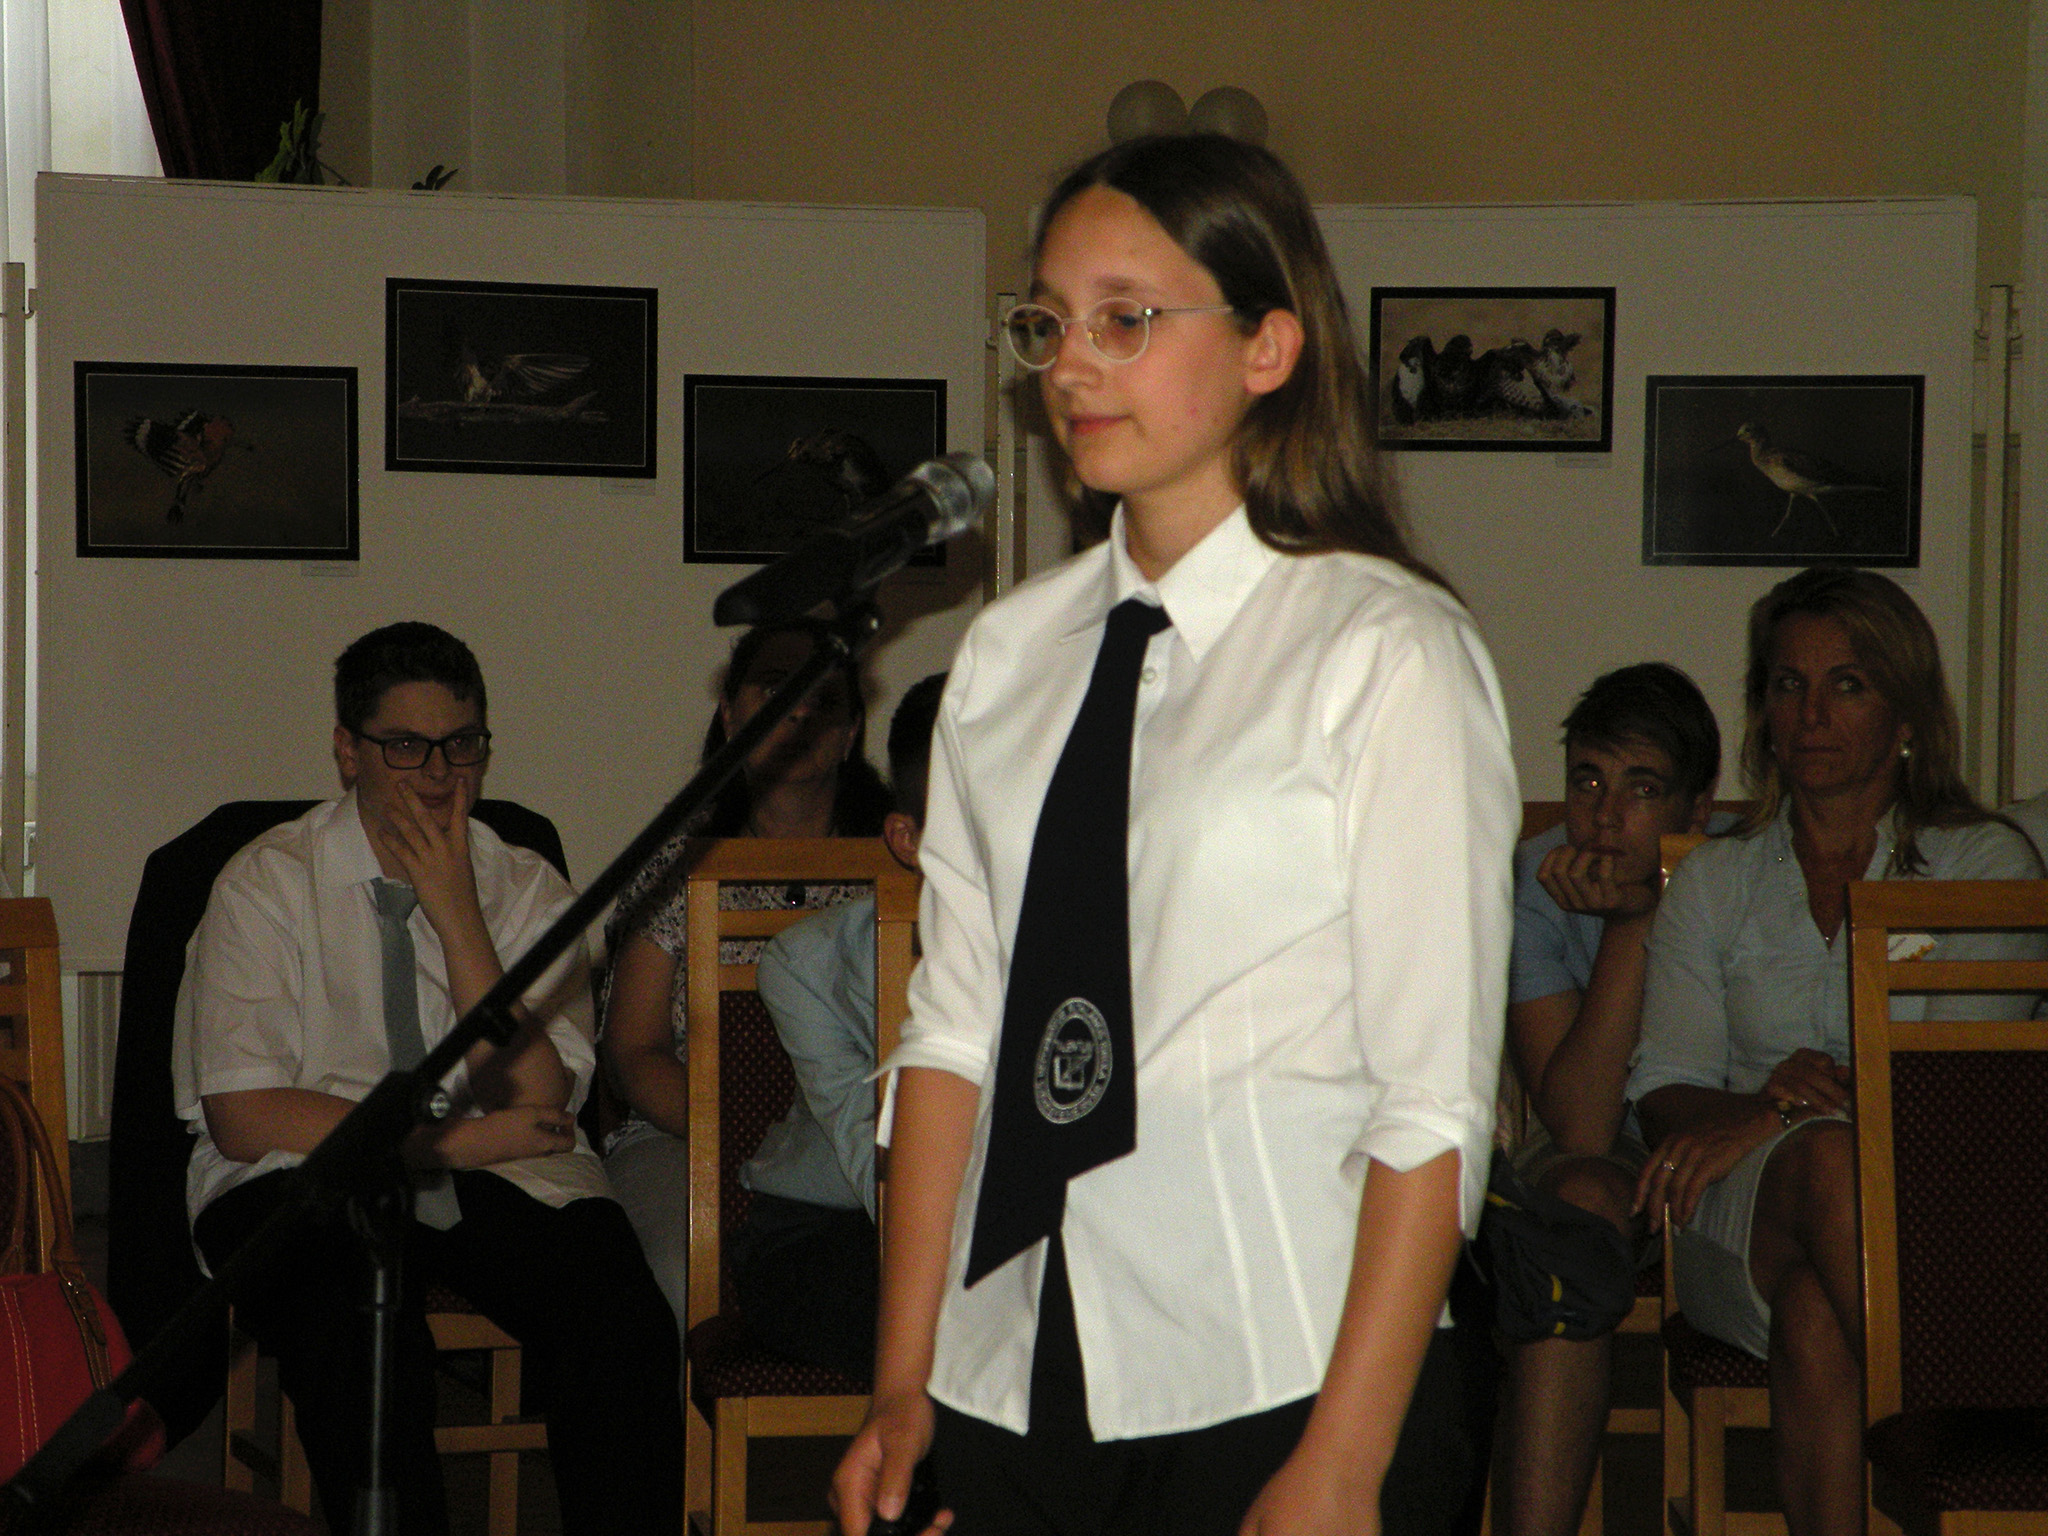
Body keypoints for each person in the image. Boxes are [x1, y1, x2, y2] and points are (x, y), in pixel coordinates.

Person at [832, 134, 1519, 1536]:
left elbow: (1431, 1099)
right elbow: (952, 1037)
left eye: (1125, 319)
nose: (1070, 367)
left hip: (1280, 1358)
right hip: (1012, 1351)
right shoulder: (1009, 656)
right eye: (1048, 323)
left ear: (1270, 346)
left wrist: (1343, 1460)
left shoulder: (1384, 650)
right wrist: (905, 1378)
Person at [173, 621, 683, 1536]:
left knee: (618, 1316)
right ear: (347, 752)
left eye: (463, 745)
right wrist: (446, 1143)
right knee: (361, 1328)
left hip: (503, 1168)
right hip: (303, 1170)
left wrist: (457, 918)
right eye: (406, 746)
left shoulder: (524, 884)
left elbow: (538, 1098)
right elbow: (246, 1116)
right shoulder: (265, 883)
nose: (440, 774)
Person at [1628, 568, 2045, 1536]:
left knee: (1817, 1312)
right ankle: (1971, 1404)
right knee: (1822, 1160)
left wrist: (1780, 1108)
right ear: (1762, 713)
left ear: (1905, 713)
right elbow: (1662, 1094)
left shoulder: (1982, 867)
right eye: (1788, 685)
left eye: (1846, 685)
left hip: (1934, 1217)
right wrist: (1767, 1117)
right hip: (1737, 1222)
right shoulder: (1716, 882)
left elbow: (1959, 1105)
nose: (1811, 714)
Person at [600, 621, 892, 1359]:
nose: (800, 713)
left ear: (851, 732)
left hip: (859, 1134)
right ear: (730, 716)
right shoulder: (677, 861)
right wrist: (735, 1131)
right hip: (683, 1134)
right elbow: (631, 1051)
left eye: (823, 699)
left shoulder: (896, 866)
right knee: (675, 1274)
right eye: (775, 689)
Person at [1501, 662, 1721, 1536]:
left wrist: (1668, 896)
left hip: (1728, 1133)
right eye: (1588, 781)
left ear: (1696, 811)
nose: (1603, 815)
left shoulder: (1738, 870)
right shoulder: (1537, 878)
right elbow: (1583, 1125)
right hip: (1605, 1149)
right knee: (1578, 1206)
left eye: (1641, 789)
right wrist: (1632, 925)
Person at [734, 670, 947, 1381]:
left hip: (1005, 1227)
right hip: (826, 1224)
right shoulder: (810, 963)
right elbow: (870, 1156)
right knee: (958, 1326)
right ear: (907, 836)